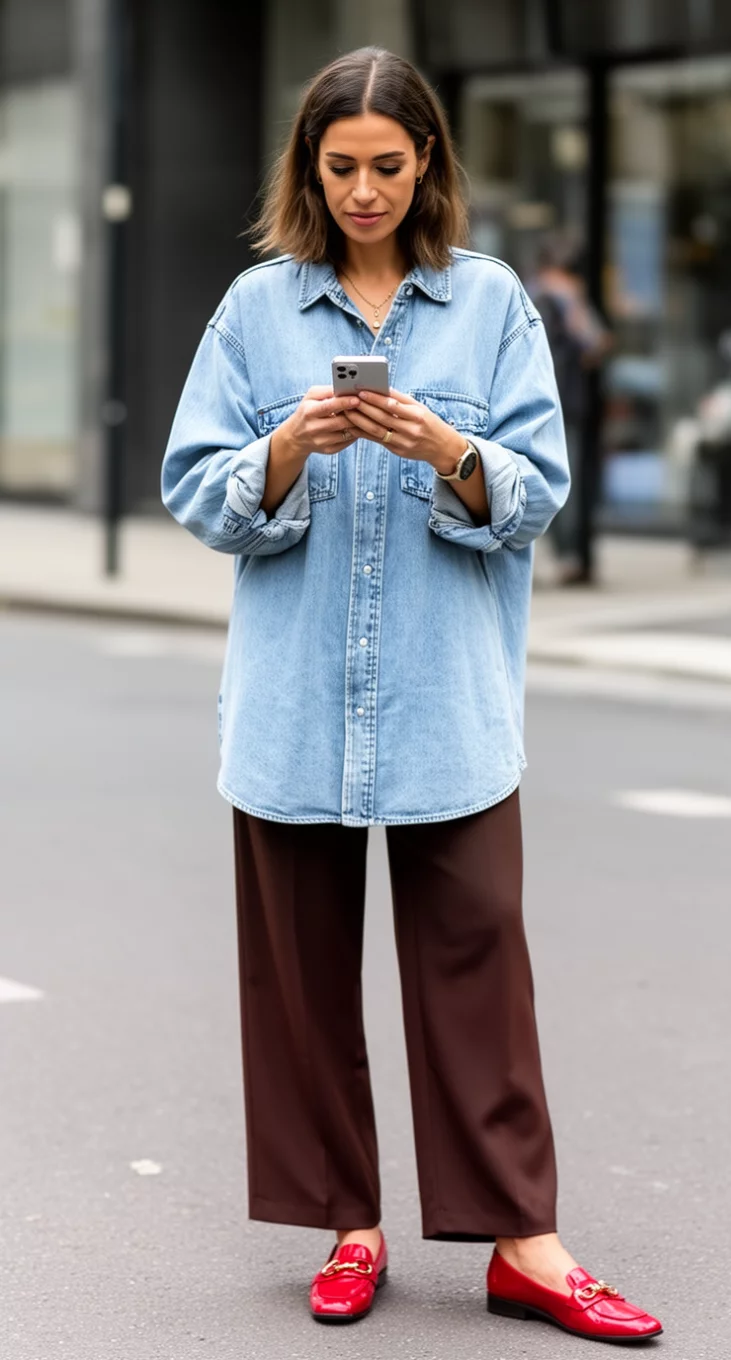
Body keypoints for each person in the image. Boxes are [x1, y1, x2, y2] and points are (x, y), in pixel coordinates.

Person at [161, 47, 661, 1343]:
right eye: (339, 169)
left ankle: (524, 1245)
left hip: (447, 705)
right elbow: (191, 484)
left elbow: (538, 492)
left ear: (427, 162)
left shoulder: (489, 305)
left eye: (387, 166)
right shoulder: (256, 311)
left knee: (478, 964)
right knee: (302, 980)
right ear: (307, 170)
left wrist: (444, 450)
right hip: (289, 710)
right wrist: (280, 452)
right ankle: (348, 1224)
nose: (364, 191)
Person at [528, 233, 612, 586]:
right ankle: (570, 557)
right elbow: (596, 343)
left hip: (533, 401)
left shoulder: (526, 291)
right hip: (564, 402)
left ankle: (559, 556)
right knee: (566, 480)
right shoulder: (563, 297)